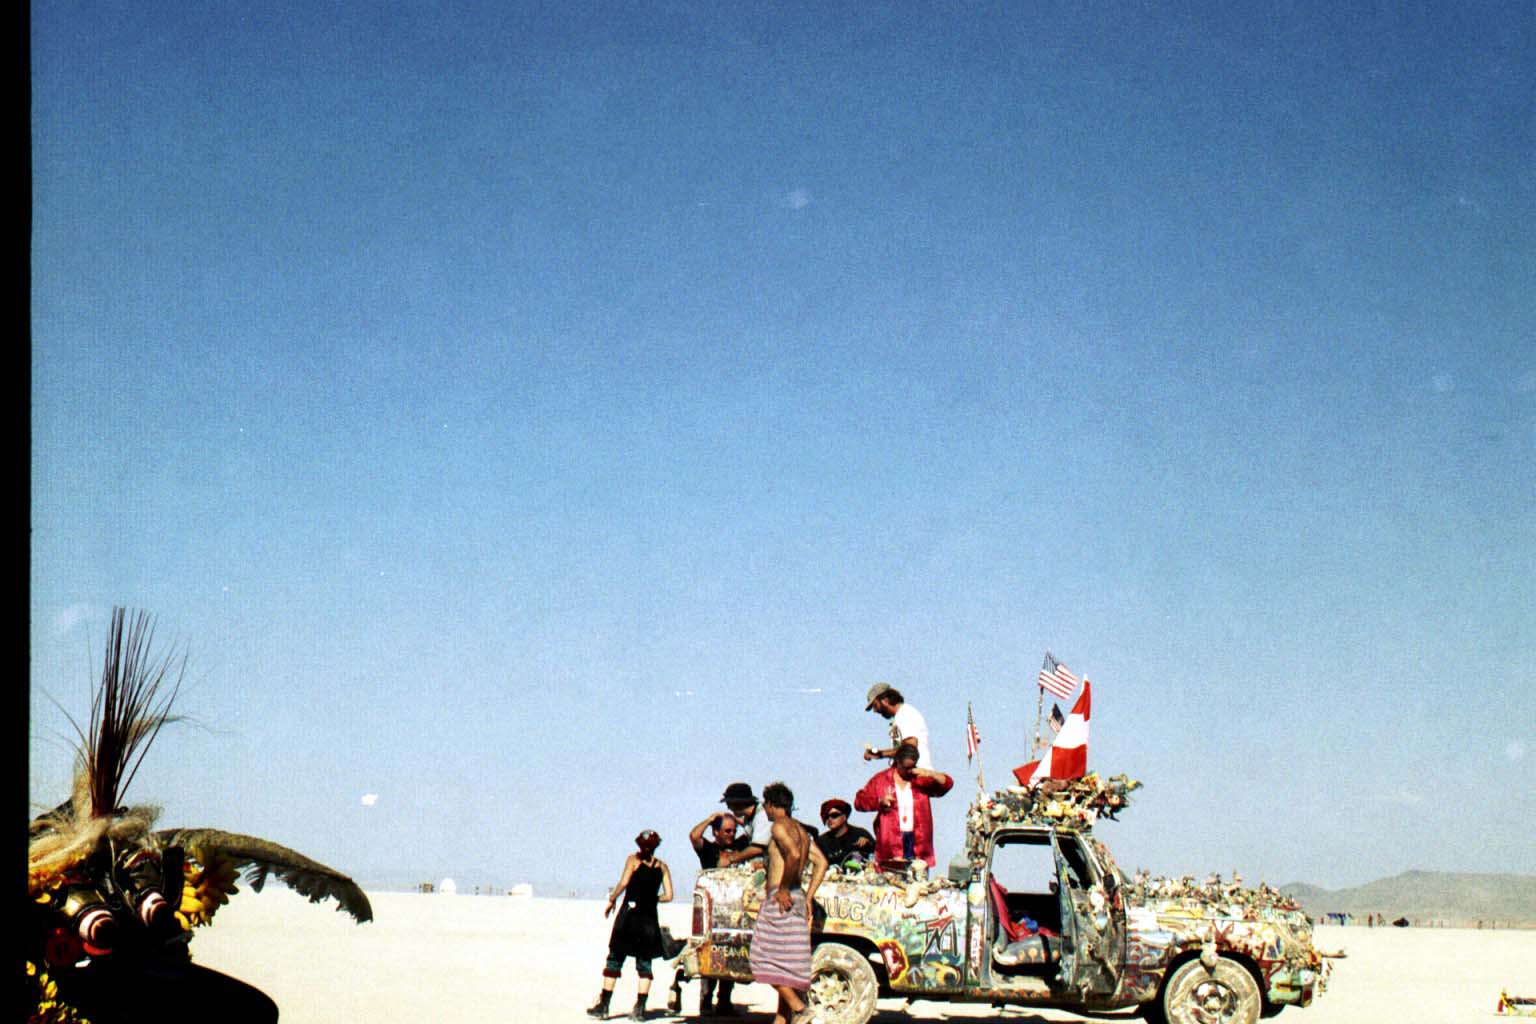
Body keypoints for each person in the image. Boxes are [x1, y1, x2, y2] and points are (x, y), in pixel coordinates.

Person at [747, 782, 828, 1024]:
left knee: (760, 958)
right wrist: (809, 896)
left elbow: (793, 855)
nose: (765, 810)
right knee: (785, 966)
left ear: (771, 804)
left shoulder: (779, 826)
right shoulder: (801, 831)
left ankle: (800, 1008)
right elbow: (822, 863)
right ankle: (782, 1020)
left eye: (765, 805)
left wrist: (782, 888)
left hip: (781, 898)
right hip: (797, 897)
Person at [587, 830, 674, 1021]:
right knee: (645, 964)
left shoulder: (633, 860)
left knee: (615, 959)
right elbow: (669, 896)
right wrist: (651, 900)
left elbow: (623, 883)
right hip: (649, 919)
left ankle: (603, 1005)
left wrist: (612, 899)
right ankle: (640, 1009)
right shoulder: (662, 867)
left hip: (629, 917)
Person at [854, 743, 953, 870]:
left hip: (917, 840)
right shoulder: (881, 780)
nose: (909, 771)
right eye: (906, 768)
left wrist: (930, 773)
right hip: (891, 840)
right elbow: (859, 801)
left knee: (917, 877)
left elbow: (947, 784)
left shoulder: (920, 779)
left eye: (912, 767)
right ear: (898, 762)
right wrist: (879, 802)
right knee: (890, 877)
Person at [686, 812, 740, 1014]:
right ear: (716, 832)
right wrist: (709, 819)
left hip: (733, 909)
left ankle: (724, 1001)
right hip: (712, 910)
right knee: (711, 954)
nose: (731, 834)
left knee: (731, 954)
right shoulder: (709, 849)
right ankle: (706, 1000)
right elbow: (694, 836)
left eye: (734, 831)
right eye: (727, 831)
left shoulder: (739, 848)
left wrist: (740, 820)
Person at [862, 682, 932, 768]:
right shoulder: (899, 717)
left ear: (885, 701)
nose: (875, 711)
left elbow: (910, 747)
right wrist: (877, 753)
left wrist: (881, 754)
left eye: (875, 705)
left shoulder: (906, 713)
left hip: (916, 771)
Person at [717, 782, 770, 868]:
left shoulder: (761, 816)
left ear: (738, 803)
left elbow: (758, 848)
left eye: (729, 804)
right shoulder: (749, 816)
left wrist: (731, 859)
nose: (728, 808)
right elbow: (748, 832)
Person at [814, 799, 874, 867]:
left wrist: (868, 845)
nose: (830, 819)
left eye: (834, 815)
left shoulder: (860, 834)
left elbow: (876, 854)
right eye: (827, 816)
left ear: (845, 816)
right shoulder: (821, 842)